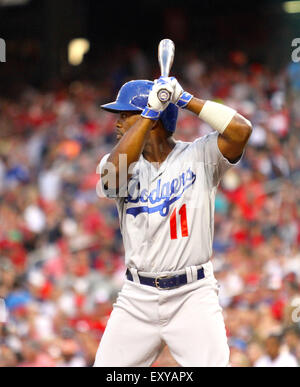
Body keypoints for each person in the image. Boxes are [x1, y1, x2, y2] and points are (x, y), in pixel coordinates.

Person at [94, 77, 252, 367]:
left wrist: (185, 99)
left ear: (152, 121)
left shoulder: (199, 155)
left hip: (192, 294)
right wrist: (151, 112)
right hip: (137, 297)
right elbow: (112, 177)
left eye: (125, 115)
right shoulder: (120, 163)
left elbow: (242, 131)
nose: (117, 123)